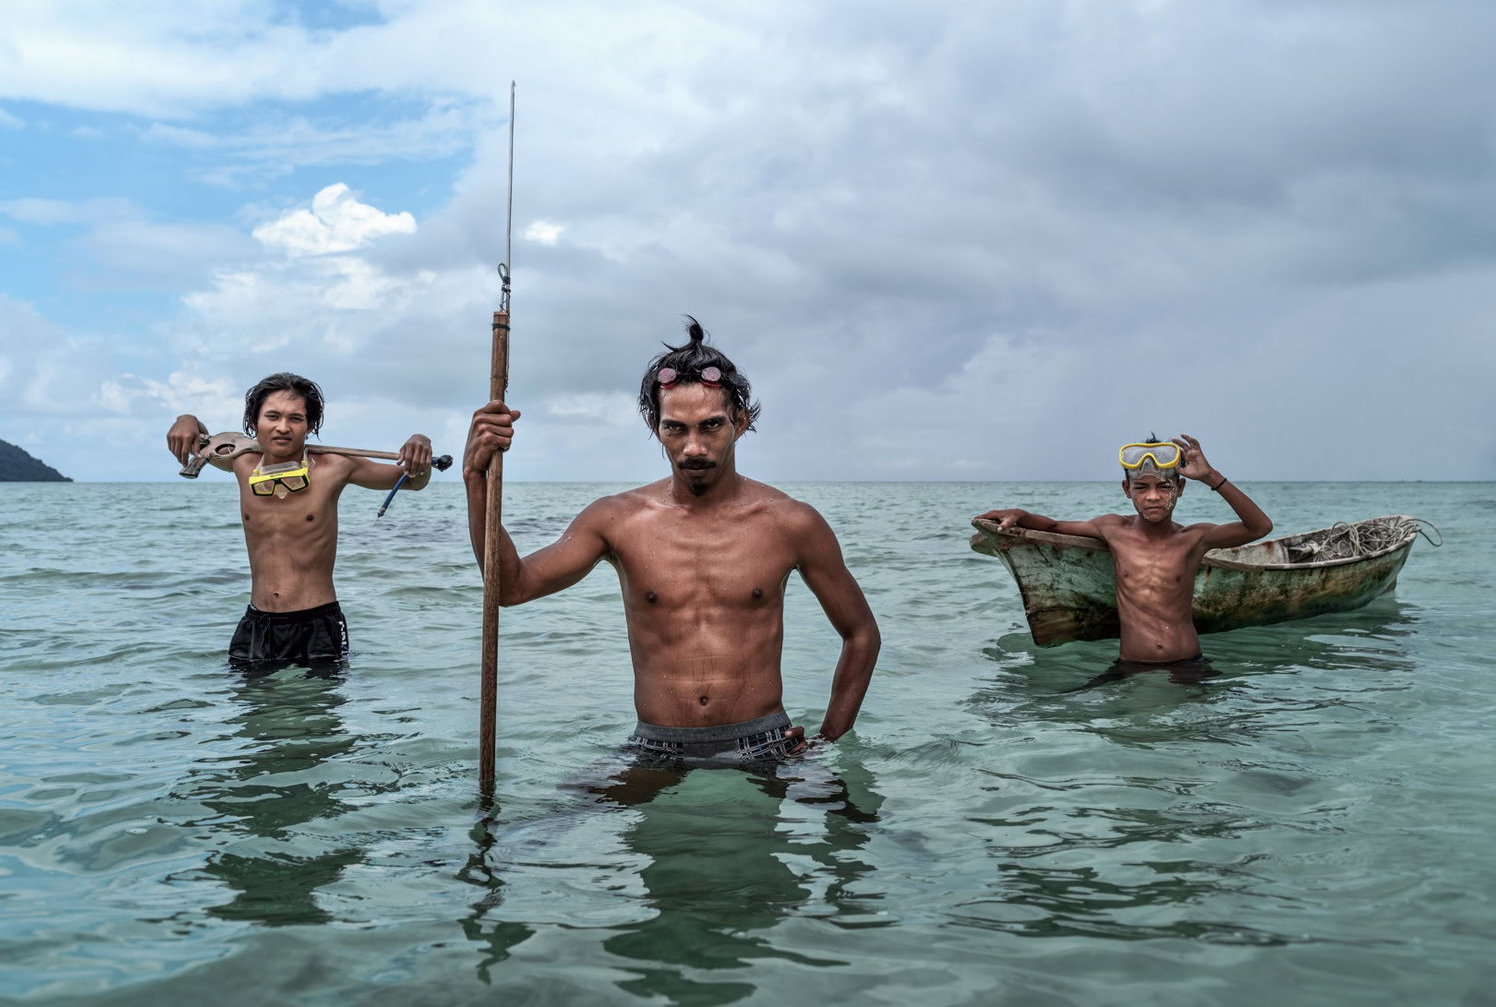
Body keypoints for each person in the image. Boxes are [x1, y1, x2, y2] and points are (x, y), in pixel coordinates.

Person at [463, 319, 881, 765]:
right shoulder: (617, 519)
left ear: (740, 422)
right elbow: (511, 588)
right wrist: (476, 480)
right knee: (539, 830)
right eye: (676, 428)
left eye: (711, 426)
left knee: (860, 827)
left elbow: (861, 634)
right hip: (654, 747)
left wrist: (827, 742)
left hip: (765, 745)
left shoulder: (791, 522)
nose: (694, 447)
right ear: (654, 425)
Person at [166, 372, 439, 669]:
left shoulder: (336, 466)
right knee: (252, 712)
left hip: (317, 623)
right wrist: (186, 418)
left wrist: (420, 447)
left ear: (309, 426)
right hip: (258, 621)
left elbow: (411, 481)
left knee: (321, 713)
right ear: (254, 421)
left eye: (295, 419)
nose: (283, 427)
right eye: (272, 416)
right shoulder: (240, 460)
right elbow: (204, 440)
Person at [975, 435, 1272, 665]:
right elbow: (1053, 527)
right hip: (1132, 663)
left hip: (1188, 664)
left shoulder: (1194, 538)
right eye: (1141, 487)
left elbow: (1259, 527)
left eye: (1164, 487)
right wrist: (1019, 514)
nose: (1153, 496)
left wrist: (1211, 477)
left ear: (1179, 489)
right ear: (1127, 490)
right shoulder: (1113, 530)